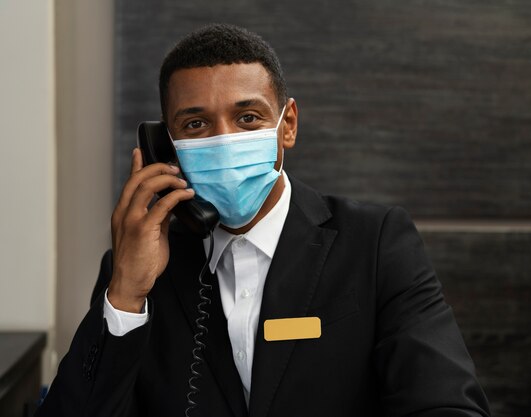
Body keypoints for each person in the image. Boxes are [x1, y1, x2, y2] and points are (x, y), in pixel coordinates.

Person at [36, 24, 490, 417]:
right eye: (196, 125)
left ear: (287, 124)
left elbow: (446, 403)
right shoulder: (133, 271)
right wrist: (126, 294)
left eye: (247, 117)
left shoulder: (375, 243)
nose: (225, 141)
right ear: (167, 146)